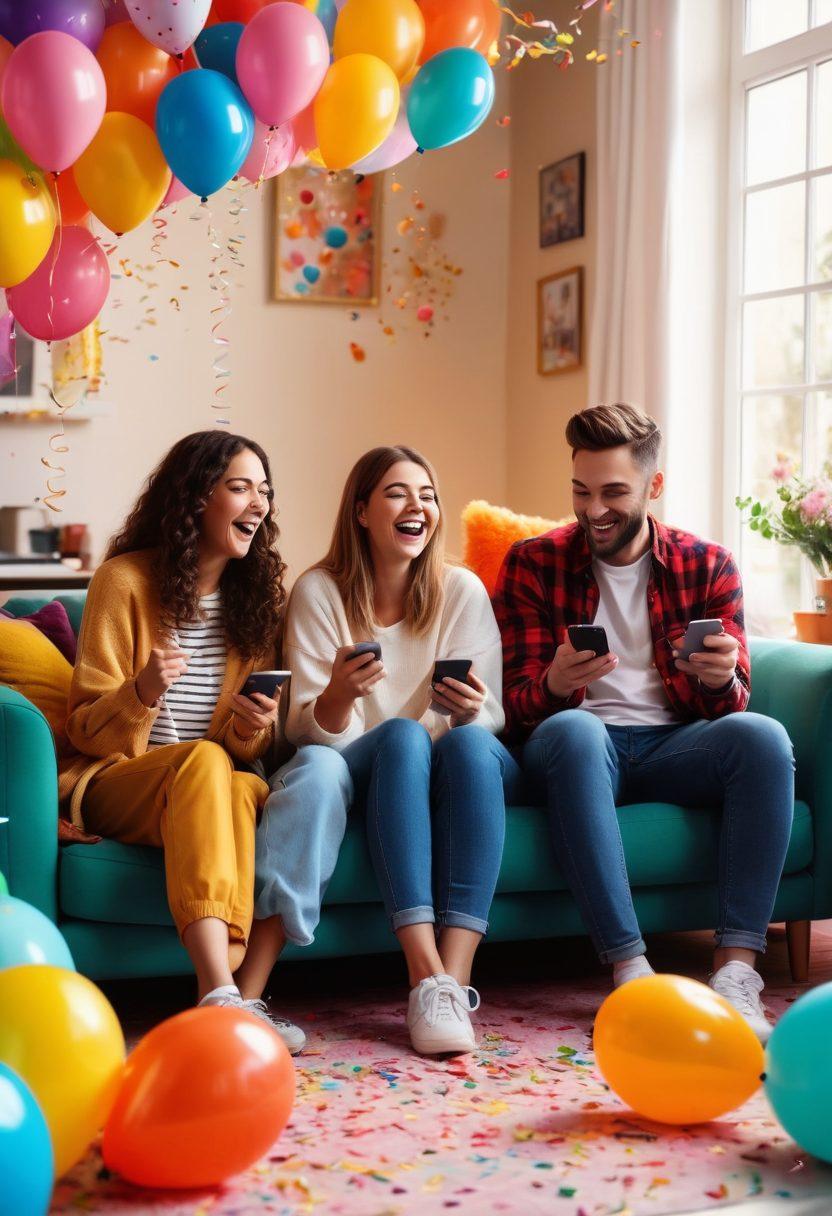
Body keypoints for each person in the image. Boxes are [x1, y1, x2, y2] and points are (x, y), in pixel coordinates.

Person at [492, 403, 794, 1042]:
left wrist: (721, 680)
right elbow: (510, 708)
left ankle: (736, 971)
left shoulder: (707, 564)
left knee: (762, 736)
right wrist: (553, 684)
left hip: (670, 745)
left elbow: (728, 706)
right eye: (580, 490)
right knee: (577, 731)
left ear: (653, 486)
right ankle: (630, 965)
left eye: (612, 493)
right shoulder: (531, 564)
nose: (592, 509)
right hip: (573, 742)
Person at [254, 445, 514, 1055]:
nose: (416, 506)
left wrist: (469, 707)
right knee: (399, 735)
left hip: (446, 762)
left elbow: (494, 714)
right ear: (363, 511)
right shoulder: (320, 592)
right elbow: (303, 732)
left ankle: (452, 981)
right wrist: (339, 698)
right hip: (362, 764)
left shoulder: (462, 591)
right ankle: (424, 972)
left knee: (467, 743)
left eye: (427, 495)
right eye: (398, 493)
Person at [60, 430, 310, 1049]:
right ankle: (220, 988)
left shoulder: (255, 604)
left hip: (212, 786)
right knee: (206, 763)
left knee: (225, 773)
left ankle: (227, 998)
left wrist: (252, 726)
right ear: (196, 498)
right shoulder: (123, 582)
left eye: (266, 491)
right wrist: (140, 690)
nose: (260, 503)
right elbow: (86, 729)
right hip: (122, 781)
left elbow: (248, 749)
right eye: (241, 487)